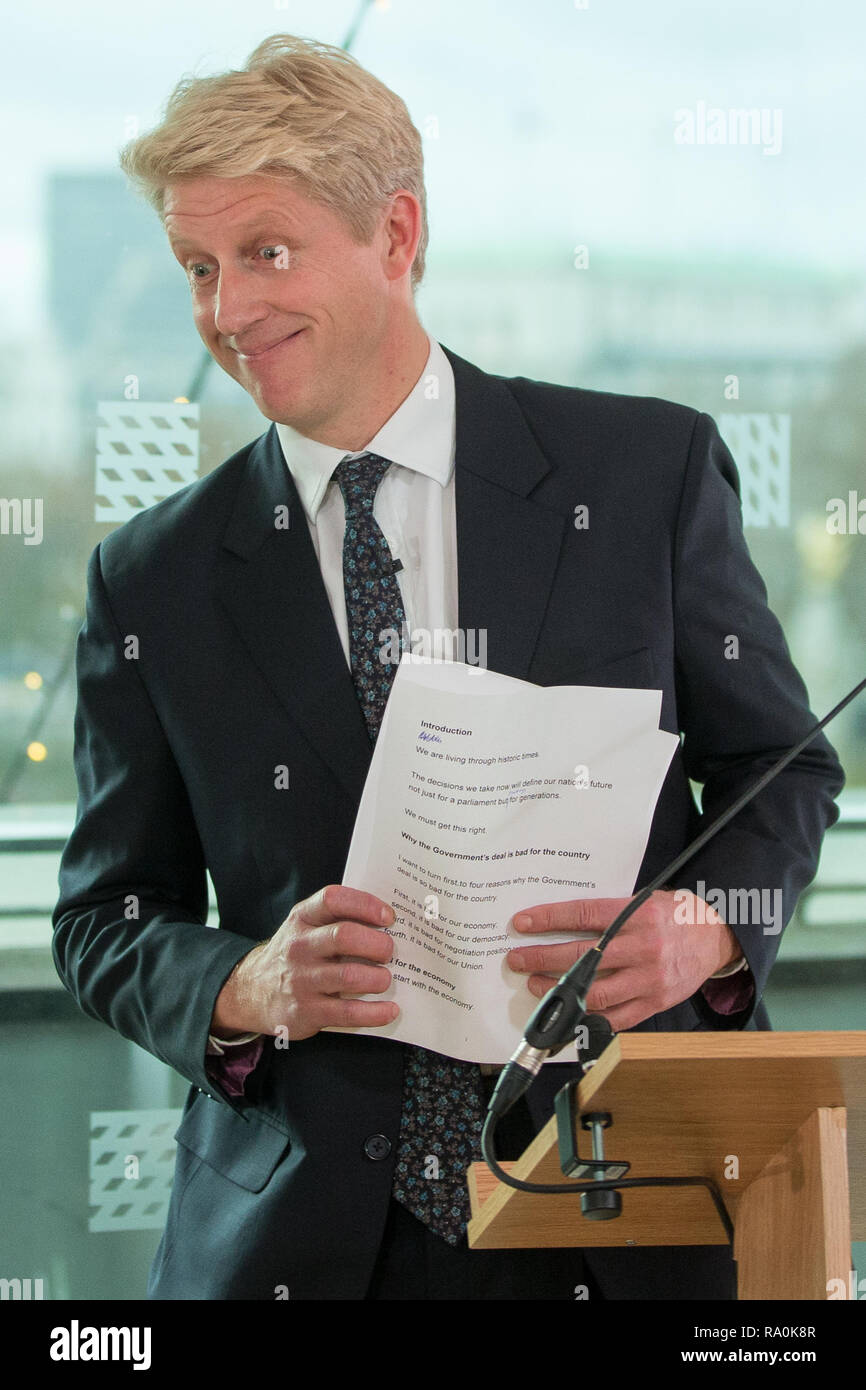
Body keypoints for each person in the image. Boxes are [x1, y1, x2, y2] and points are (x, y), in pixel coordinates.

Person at [52, 34, 844, 1301]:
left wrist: (704, 930)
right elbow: (102, 920)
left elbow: (784, 770)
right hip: (297, 1249)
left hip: (624, 1209)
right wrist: (245, 982)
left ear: (396, 233)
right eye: (197, 267)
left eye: (265, 252)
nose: (226, 311)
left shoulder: (641, 477)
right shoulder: (151, 578)